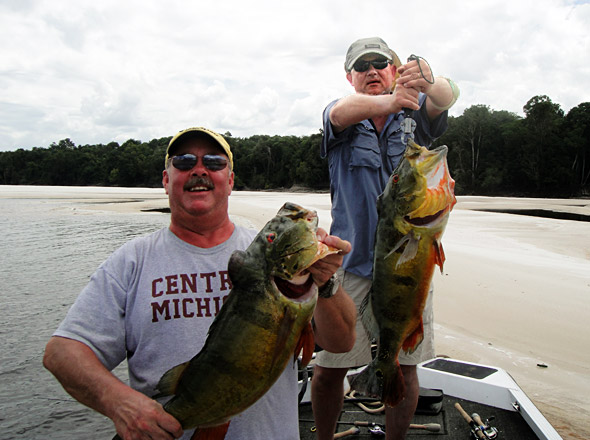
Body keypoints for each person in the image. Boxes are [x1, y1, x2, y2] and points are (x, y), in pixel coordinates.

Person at [43, 126, 357, 440]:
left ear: (230, 180)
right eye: (183, 161)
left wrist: (324, 282)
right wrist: (119, 402)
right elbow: (62, 352)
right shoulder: (131, 262)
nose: (199, 170)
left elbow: (342, 343)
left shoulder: (265, 255)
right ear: (166, 181)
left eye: (214, 162)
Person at [311, 37, 459, 440]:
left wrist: (429, 79)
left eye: (381, 63)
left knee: (407, 370)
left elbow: (448, 94)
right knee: (328, 369)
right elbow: (341, 111)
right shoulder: (341, 117)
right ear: (350, 76)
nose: (372, 70)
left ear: (395, 70)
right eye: (363, 66)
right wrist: (393, 101)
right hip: (348, 266)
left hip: (410, 266)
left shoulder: (417, 116)